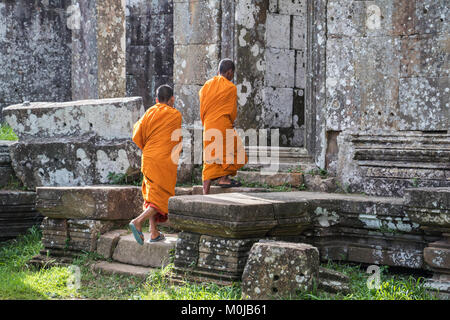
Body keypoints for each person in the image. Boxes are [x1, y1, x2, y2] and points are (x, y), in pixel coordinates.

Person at [129, 85, 182, 245]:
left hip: (148, 157)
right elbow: (175, 141)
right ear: (172, 99)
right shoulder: (175, 115)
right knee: (161, 198)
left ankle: (154, 232)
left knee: (152, 196)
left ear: (157, 100)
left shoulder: (150, 112)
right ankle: (138, 221)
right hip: (162, 161)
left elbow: (137, 135)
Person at [200, 58, 248, 195]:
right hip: (222, 124)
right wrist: (231, 121)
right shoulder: (230, 87)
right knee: (233, 151)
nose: (232, 77)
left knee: (210, 157)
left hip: (209, 124)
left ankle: (206, 190)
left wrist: (206, 121)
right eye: (232, 74)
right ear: (229, 72)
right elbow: (232, 111)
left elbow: (202, 108)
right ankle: (224, 178)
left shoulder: (207, 86)